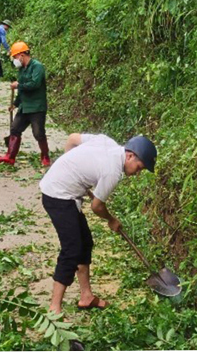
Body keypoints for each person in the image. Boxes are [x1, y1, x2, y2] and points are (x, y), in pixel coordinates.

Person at [39, 133, 157, 314]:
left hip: (65, 192)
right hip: (58, 196)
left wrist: (70, 167)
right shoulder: (113, 171)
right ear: (130, 156)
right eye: (139, 168)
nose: (136, 173)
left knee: (85, 243)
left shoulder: (106, 141)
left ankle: (86, 296)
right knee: (72, 249)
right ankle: (54, 308)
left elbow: (72, 139)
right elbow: (97, 206)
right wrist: (111, 220)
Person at [0, 41, 51, 166]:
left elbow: (34, 84)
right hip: (24, 107)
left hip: (36, 106)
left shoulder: (37, 67)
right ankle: (10, 156)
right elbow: (22, 90)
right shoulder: (21, 70)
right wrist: (15, 103)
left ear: (22, 55)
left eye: (15, 57)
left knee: (38, 133)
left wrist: (18, 85)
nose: (14, 60)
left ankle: (45, 156)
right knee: (15, 129)